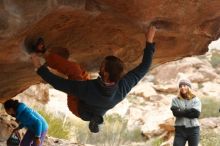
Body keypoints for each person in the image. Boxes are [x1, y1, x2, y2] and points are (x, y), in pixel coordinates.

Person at [30, 26, 156, 133]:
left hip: (78, 108)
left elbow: (59, 83)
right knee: (81, 73)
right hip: (91, 104)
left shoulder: (88, 90)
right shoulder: (123, 86)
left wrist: (39, 68)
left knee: (74, 71)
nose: (100, 65)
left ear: (106, 74)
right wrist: (149, 41)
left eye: (102, 66)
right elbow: (144, 67)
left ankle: (43, 52)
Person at [170, 78, 201, 146]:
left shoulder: (196, 99)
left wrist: (181, 111)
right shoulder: (175, 100)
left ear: (189, 87)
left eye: (184, 85)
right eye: (180, 86)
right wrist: (190, 111)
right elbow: (176, 113)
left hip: (194, 129)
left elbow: (196, 114)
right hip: (180, 130)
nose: (182, 87)